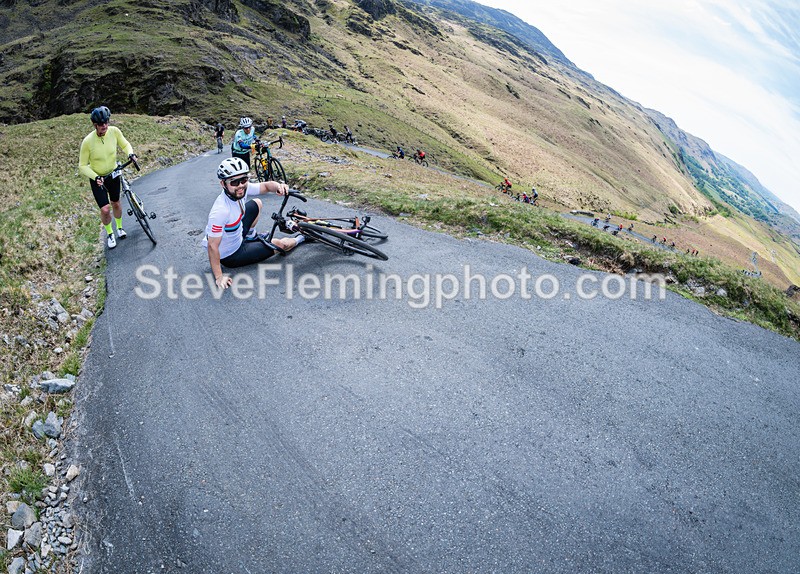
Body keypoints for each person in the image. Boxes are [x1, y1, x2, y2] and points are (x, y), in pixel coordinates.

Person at [204, 158, 304, 289]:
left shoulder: (240, 190)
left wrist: (279, 186)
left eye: (244, 180)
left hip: (237, 232)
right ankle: (302, 238)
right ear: (223, 184)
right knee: (281, 244)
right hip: (232, 253)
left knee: (257, 202)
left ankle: (251, 236)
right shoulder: (220, 211)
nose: (240, 185)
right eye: (234, 182)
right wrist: (219, 277)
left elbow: (266, 186)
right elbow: (212, 246)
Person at [78, 106, 137, 249]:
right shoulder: (87, 141)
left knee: (116, 203)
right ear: (95, 125)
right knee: (105, 209)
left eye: (106, 122)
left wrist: (130, 153)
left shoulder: (114, 132)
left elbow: (125, 144)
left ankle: (119, 228)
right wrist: (95, 176)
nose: (104, 126)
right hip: (98, 178)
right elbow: (82, 166)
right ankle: (110, 233)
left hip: (113, 173)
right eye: (100, 124)